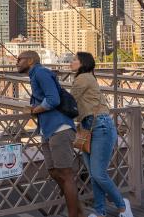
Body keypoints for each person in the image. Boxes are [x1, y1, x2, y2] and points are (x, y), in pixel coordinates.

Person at [17, 51, 81, 217]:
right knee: (53, 171)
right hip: (48, 129)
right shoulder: (34, 75)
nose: (16, 62)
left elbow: (53, 99)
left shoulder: (41, 72)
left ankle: (75, 214)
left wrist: (35, 110)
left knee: (66, 174)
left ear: (30, 60)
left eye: (20, 59)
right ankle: (78, 211)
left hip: (59, 128)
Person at [69, 52, 133, 217]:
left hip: (98, 127)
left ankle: (122, 205)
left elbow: (69, 101)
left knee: (98, 173)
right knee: (95, 174)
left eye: (75, 59)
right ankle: (100, 211)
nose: (71, 61)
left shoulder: (82, 78)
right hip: (92, 127)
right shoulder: (89, 77)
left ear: (83, 63)